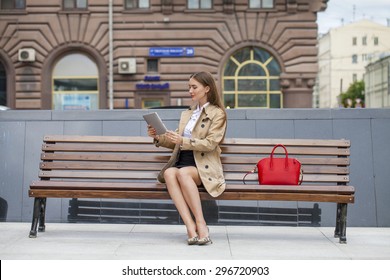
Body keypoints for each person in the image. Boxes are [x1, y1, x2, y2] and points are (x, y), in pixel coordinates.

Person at [147, 72, 227, 245]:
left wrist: (183, 140)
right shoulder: (188, 114)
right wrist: (159, 137)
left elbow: (211, 143)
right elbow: (176, 141)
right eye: (189, 87)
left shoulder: (217, 113)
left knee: (183, 174)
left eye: (194, 87)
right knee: (169, 173)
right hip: (183, 161)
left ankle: (201, 223)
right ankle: (190, 226)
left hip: (203, 166)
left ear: (207, 89)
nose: (190, 90)